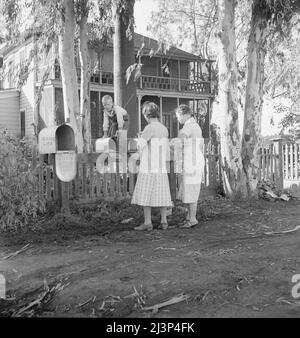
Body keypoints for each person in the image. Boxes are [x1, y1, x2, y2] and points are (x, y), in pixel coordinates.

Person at [131, 102, 172, 231]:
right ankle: (164, 221)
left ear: (146, 115)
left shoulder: (149, 128)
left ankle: (148, 222)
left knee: (146, 193)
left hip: (148, 165)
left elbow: (141, 145)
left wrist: (139, 139)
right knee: (161, 192)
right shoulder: (164, 128)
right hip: (160, 165)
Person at [175, 104, 205, 229]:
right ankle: (189, 217)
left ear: (183, 114)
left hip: (192, 161)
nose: (178, 119)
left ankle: (192, 219)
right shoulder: (195, 126)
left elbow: (180, 139)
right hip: (195, 159)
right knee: (189, 189)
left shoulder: (189, 126)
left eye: (178, 116)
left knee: (191, 189)